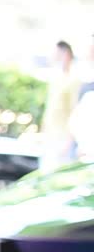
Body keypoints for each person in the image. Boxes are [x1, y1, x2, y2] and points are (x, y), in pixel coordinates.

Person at [42, 40, 78, 170]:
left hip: (62, 140)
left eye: (56, 54)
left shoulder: (73, 80)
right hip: (51, 137)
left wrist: (68, 141)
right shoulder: (56, 79)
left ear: (66, 54)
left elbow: (75, 112)